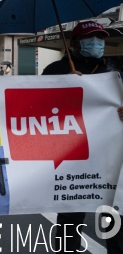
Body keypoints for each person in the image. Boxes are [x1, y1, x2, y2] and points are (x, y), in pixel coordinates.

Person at [43, 21, 123, 253]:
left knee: (113, 217)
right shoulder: (55, 71)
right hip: (72, 159)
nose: (97, 43)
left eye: (100, 38)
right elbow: (37, 110)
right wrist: (62, 84)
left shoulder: (114, 74)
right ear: (75, 44)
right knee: (70, 219)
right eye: (90, 38)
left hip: (109, 158)